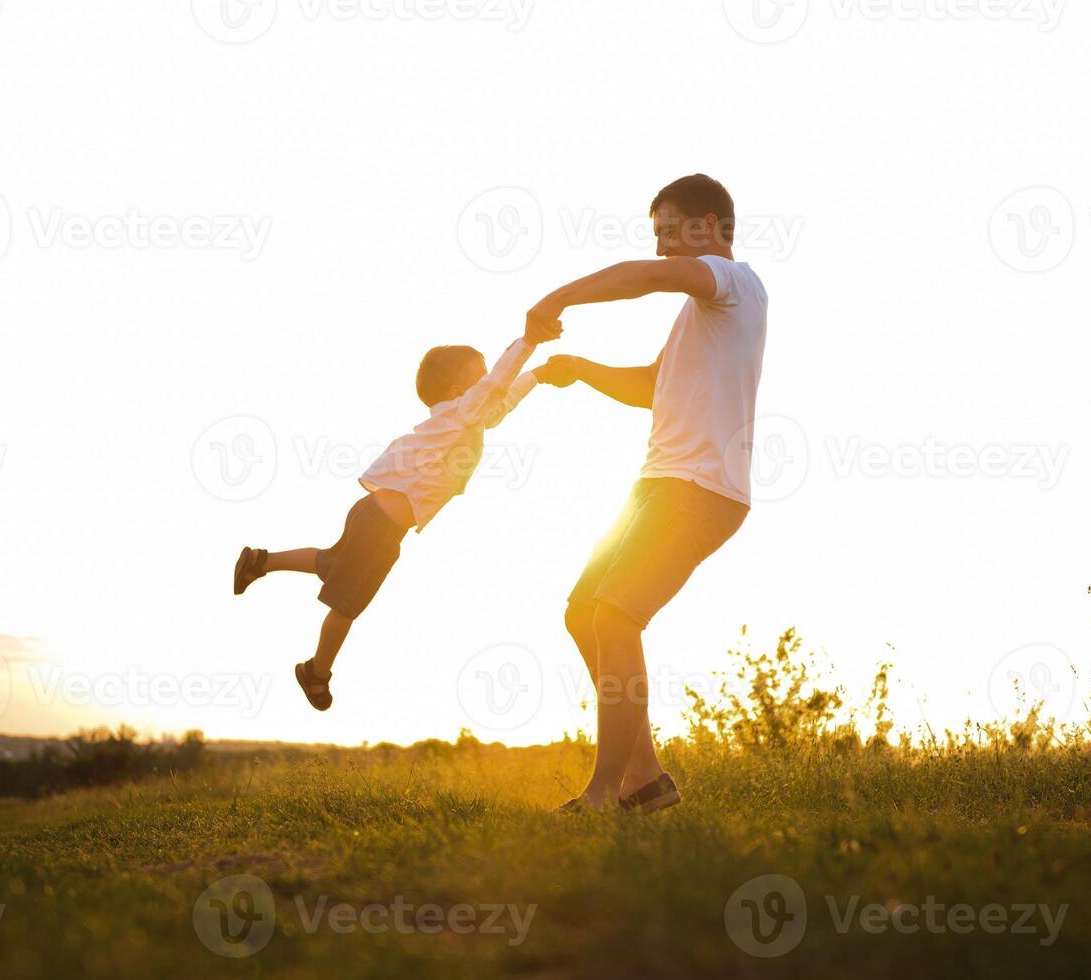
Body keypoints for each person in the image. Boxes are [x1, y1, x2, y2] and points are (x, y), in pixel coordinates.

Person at [530, 174, 769, 812]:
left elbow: (648, 276)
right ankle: (646, 779)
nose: (663, 247)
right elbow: (649, 388)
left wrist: (559, 296)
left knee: (616, 613)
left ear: (712, 225)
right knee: (585, 611)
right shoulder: (700, 316)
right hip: (658, 485)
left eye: (671, 231)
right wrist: (582, 371)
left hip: (698, 490)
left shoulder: (734, 282)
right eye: (656, 234)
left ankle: (604, 793)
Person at [233, 314, 562, 711]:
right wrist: (528, 342)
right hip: (380, 528)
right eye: (481, 378)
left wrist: (540, 376)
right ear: (460, 392)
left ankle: (261, 561)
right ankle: (316, 671)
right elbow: (497, 387)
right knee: (346, 605)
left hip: (374, 516)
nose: (491, 383)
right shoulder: (460, 415)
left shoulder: (466, 421)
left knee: (329, 563)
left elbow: (501, 402)